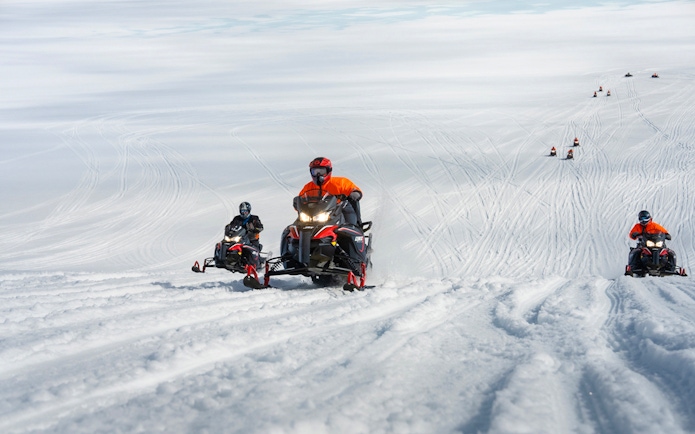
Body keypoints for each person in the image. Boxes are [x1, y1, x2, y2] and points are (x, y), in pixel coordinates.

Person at [298, 157, 363, 226]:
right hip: (315, 214)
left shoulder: (341, 182)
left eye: (321, 171)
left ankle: (355, 232)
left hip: (340, 210)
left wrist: (354, 194)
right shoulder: (308, 187)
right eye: (315, 171)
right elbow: (300, 199)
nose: (318, 175)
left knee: (350, 226)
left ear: (329, 170)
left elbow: (353, 189)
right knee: (293, 229)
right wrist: (297, 204)